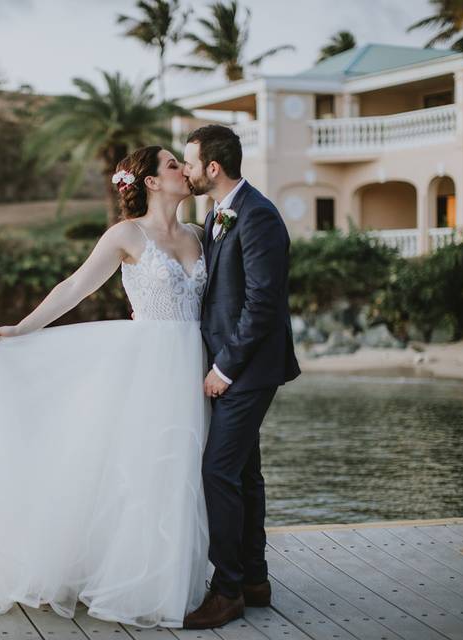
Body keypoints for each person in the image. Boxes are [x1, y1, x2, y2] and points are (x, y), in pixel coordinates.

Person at [0, 145, 215, 628]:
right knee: (145, 470)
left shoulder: (200, 235)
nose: (183, 169)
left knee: (184, 470)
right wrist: (20, 330)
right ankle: (143, 588)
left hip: (190, 365)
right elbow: (74, 288)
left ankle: (174, 584)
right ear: (152, 182)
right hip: (147, 369)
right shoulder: (125, 235)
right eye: (174, 164)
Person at [180, 124, 301, 630]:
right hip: (232, 361)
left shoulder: (259, 215)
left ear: (212, 167)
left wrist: (225, 369)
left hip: (248, 367)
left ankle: (226, 588)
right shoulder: (215, 215)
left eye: (189, 162)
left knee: (217, 472)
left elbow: (262, 303)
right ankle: (254, 579)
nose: (185, 171)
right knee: (245, 474)